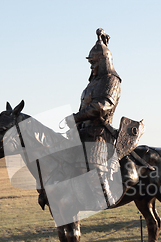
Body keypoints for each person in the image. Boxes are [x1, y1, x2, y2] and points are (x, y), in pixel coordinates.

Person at [69, 28, 122, 207]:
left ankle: (105, 194)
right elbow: (83, 106)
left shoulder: (112, 81)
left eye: (94, 62)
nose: (92, 66)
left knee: (94, 163)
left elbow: (103, 105)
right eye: (90, 63)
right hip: (83, 131)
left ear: (104, 61)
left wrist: (77, 117)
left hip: (100, 134)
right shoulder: (92, 84)